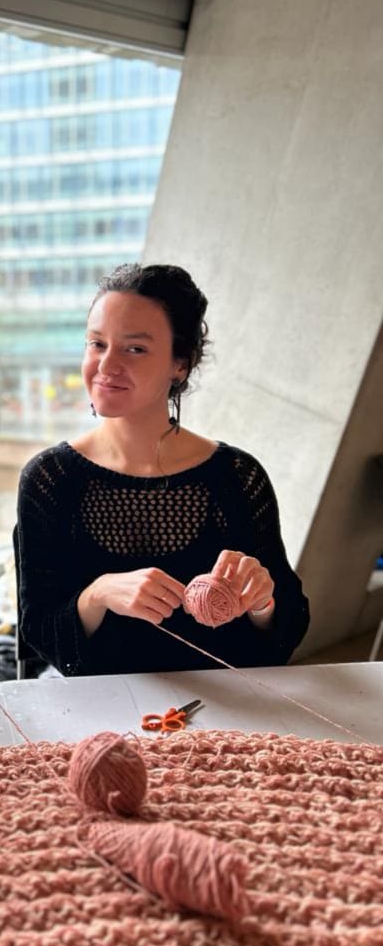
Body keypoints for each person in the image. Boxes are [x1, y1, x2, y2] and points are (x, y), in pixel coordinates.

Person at [16, 263, 309, 676]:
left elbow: (286, 633)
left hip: (223, 714)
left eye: (134, 348)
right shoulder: (50, 479)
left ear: (180, 364)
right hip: (98, 713)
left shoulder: (238, 478)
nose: (105, 365)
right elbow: (39, 634)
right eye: (97, 344)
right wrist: (97, 595)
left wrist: (262, 601)